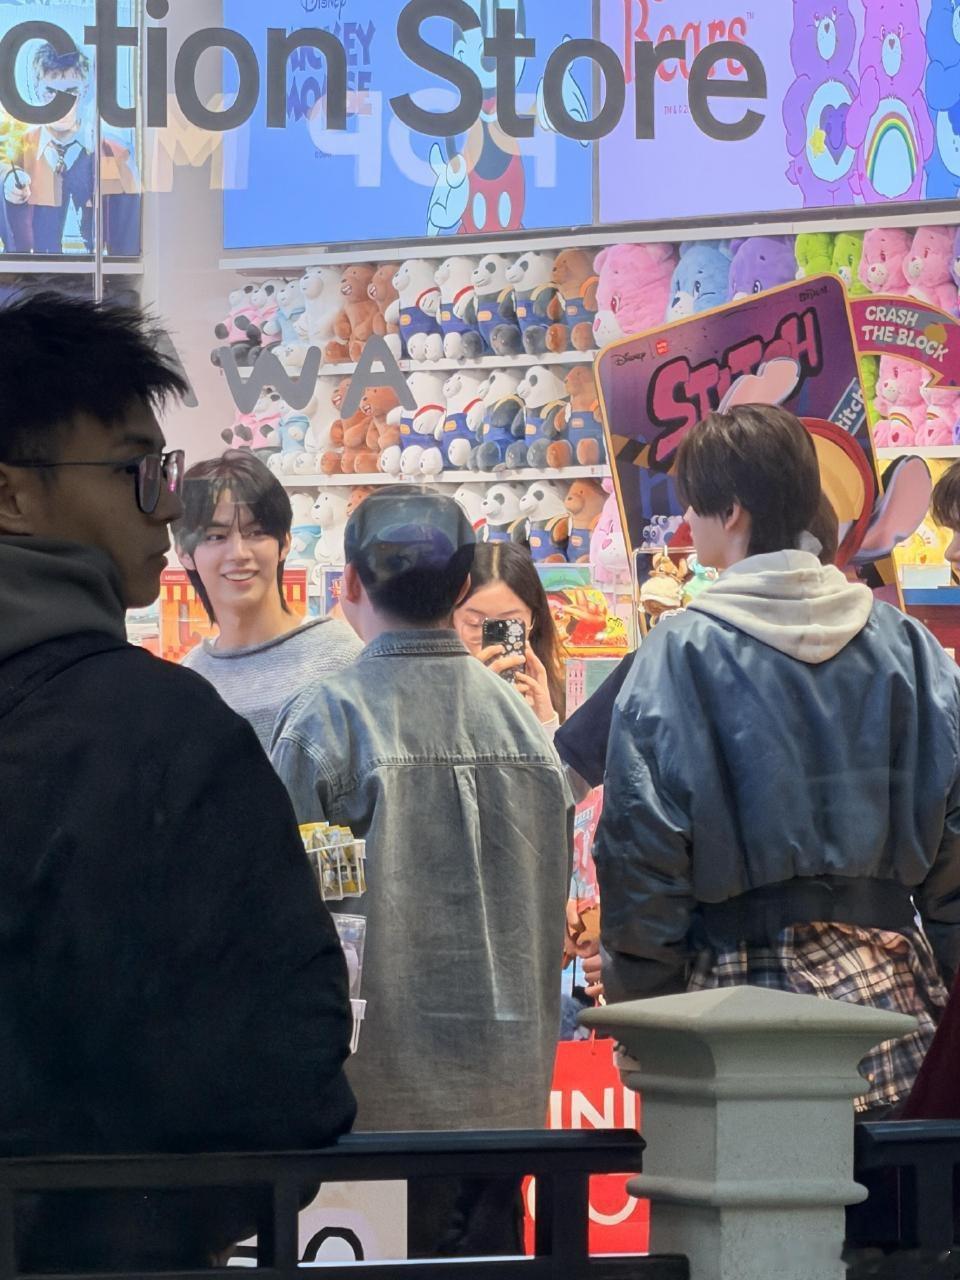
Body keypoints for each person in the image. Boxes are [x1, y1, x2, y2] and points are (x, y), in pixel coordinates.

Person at [0, 292, 356, 1271]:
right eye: (136, 471)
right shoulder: (158, 731)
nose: (165, 506)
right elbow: (288, 1076)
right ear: (12, 495)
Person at [593, 403, 960, 1116]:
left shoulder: (678, 656)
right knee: (897, 1188)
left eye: (693, 504)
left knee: (752, 1187)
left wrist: (644, 1017)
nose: (687, 522)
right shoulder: (910, 648)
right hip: (894, 1006)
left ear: (731, 512)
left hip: (734, 1011)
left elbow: (641, 855)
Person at [272, 487, 573, 1257]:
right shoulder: (527, 729)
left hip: (370, 1109)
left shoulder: (326, 723)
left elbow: (289, 927)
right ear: (464, 585)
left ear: (348, 583)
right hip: (507, 1107)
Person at [175, 451, 361, 751]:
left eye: (256, 533)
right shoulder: (189, 681)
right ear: (184, 552)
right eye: (216, 536)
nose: (239, 553)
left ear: (285, 542)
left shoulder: (340, 657)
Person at [3, 43, 140, 256]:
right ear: (37, 89)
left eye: (71, 92)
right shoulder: (16, 151)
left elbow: (129, 246)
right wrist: (6, 181)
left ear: (85, 91)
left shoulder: (118, 155)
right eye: (51, 91)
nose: (61, 105)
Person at [453, 540, 566, 729]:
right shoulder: (428, 692)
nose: (493, 644)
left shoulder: (555, 692)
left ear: (533, 621)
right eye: (474, 623)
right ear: (450, 620)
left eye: (510, 625)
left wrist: (545, 723)